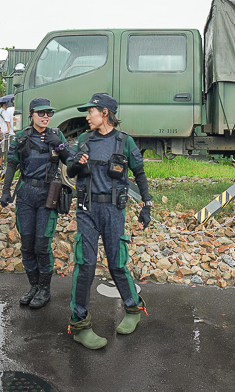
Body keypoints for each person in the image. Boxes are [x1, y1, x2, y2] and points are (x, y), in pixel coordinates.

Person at [66, 92, 153, 350]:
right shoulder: (84, 140)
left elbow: (140, 174)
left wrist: (147, 206)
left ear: (105, 112)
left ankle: (133, 309)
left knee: (117, 263)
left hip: (114, 211)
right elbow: (69, 170)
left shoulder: (125, 141)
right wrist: (77, 163)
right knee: (85, 265)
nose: (87, 116)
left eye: (90, 111)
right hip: (87, 210)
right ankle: (79, 325)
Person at [0, 98, 72, 309]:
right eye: (41, 113)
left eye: (49, 113)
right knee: (27, 244)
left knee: (42, 245)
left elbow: (69, 160)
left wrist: (58, 145)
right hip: (26, 195)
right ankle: (34, 286)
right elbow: (12, 165)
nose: (45, 117)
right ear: (31, 115)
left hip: (48, 195)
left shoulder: (56, 135)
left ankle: (44, 289)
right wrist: (6, 191)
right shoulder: (21, 137)